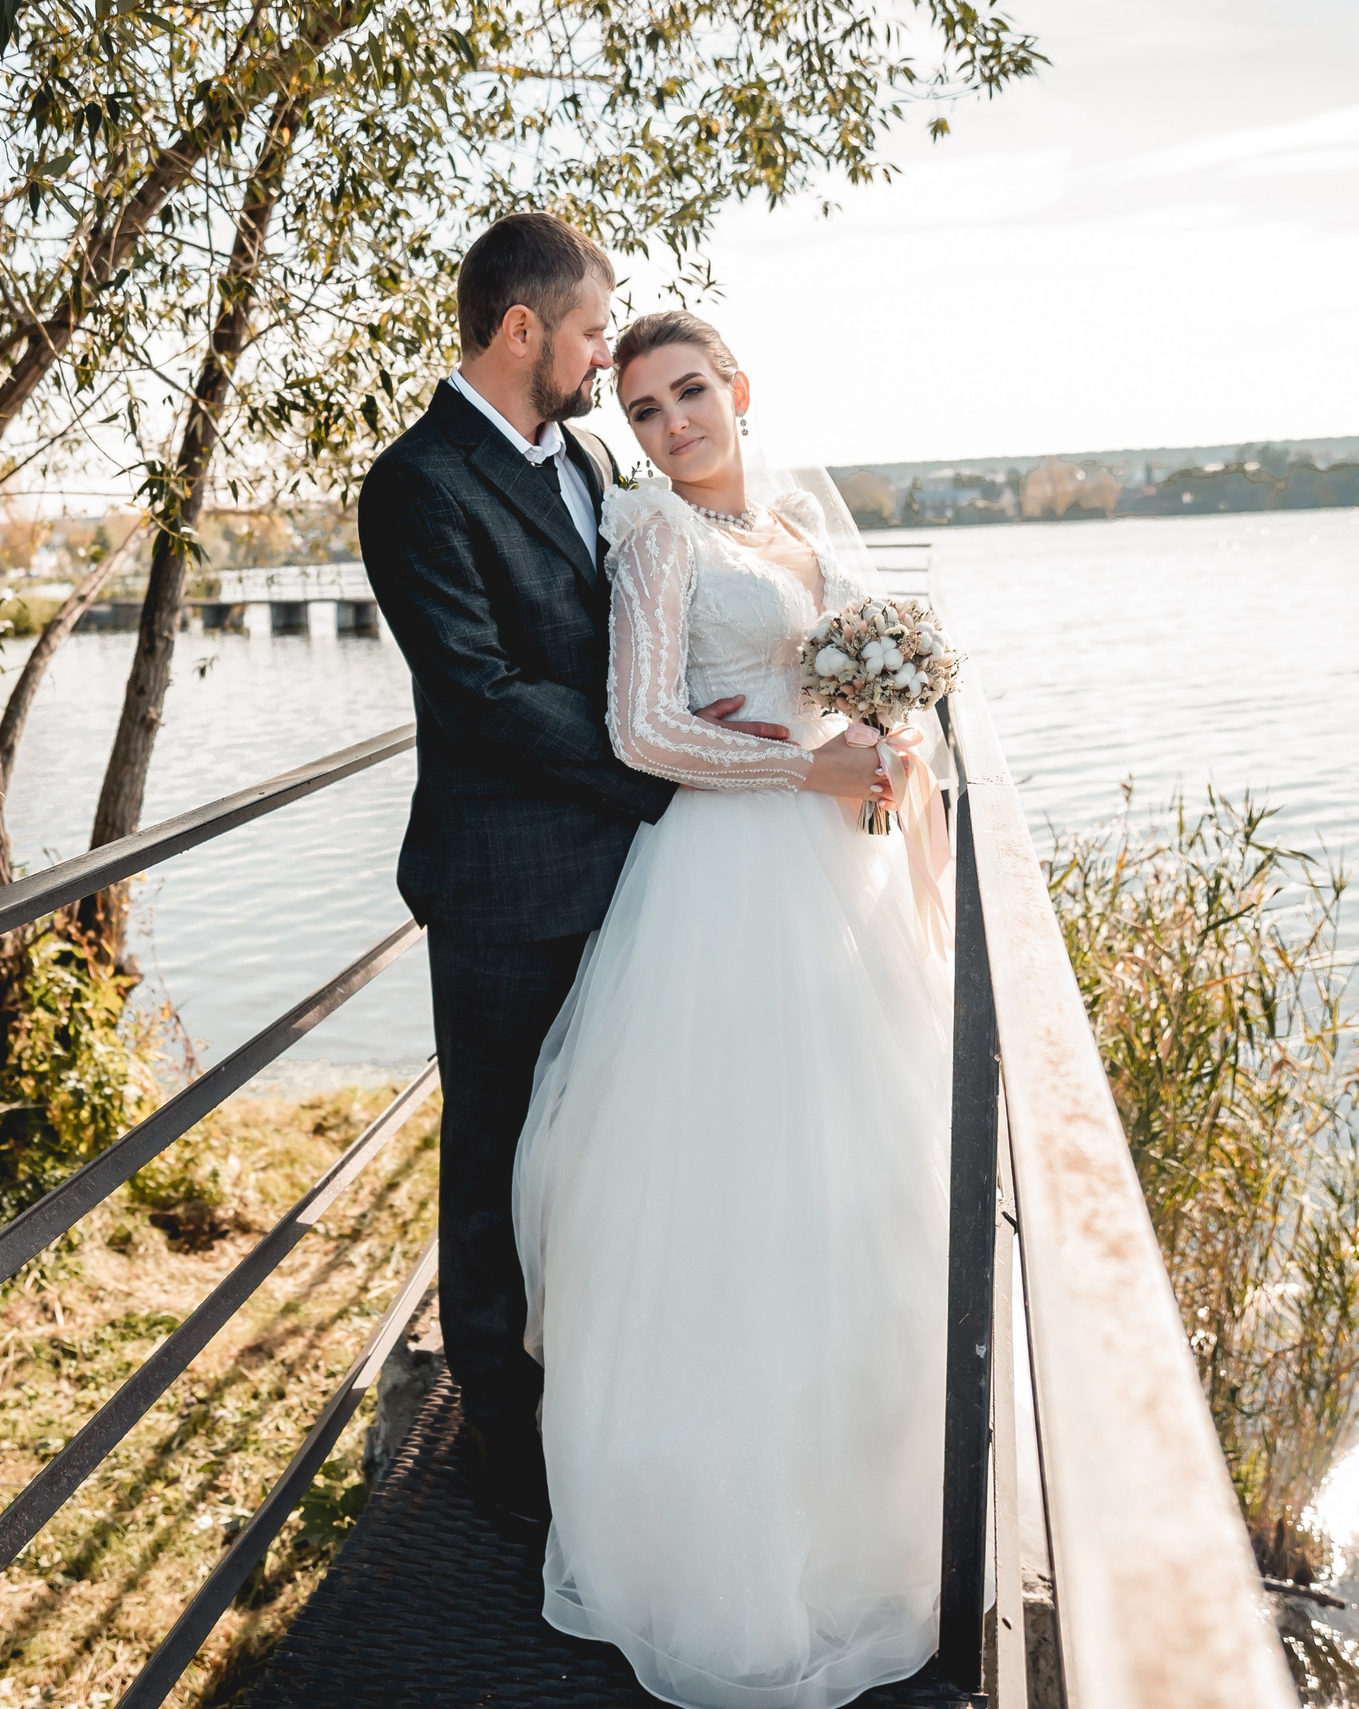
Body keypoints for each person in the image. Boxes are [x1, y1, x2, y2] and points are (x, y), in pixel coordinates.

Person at [358, 217, 892, 1542]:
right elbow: (479, 696)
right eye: (595, 333)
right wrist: (669, 769)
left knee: (606, 1159)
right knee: (495, 1167)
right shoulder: (416, 483)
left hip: (642, 878)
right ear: (524, 328)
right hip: (504, 880)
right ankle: (501, 1442)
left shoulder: (595, 458)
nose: (611, 360)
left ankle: (611, 1389)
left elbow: (657, 633)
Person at [510, 309, 954, 1709]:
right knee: (727, 1199)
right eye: (642, 409)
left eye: (690, 393)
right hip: (719, 882)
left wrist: (884, 745)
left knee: (863, 1185)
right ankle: (717, 1560)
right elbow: (642, 728)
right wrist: (811, 774)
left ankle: (870, 1513)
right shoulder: (656, 539)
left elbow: (826, 703)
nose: (672, 424)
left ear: (740, 390)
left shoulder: (800, 540)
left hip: (841, 880)